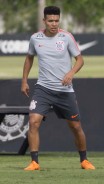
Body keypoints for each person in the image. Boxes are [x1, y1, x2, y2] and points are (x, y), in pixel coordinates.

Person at [21, 6, 95, 171]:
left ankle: (84, 160)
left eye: (56, 20)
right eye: (50, 21)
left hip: (65, 91)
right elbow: (29, 59)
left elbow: (80, 60)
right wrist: (24, 80)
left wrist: (71, 73)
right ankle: (34, 162)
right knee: (33, 122)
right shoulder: (35, 38)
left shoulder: (66, 37)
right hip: (43, 89)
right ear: (44, 21)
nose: (54, 24)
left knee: (75, 126)